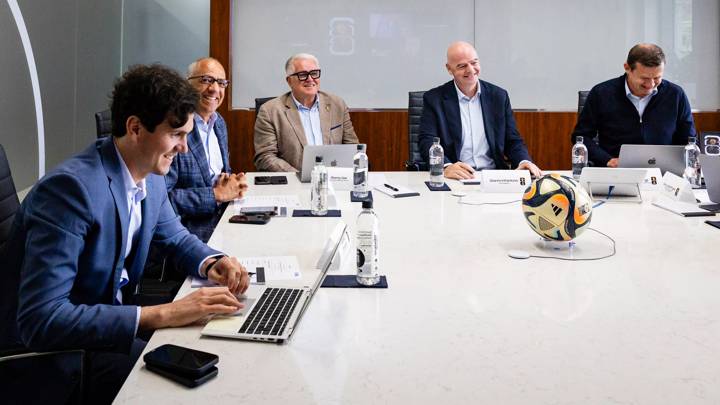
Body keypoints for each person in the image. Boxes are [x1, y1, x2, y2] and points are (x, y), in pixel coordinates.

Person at [0, 64, 249, 404]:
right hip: (53, 358)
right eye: (176, 134)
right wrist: (162, 314)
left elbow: (173, 235)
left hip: (103, 327)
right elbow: (43, 319)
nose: (185, 149)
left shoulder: (152, 173)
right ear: (135, 128)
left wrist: (212, 262)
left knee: (218, 361)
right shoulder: (70, 191)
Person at [419, 41, 542, 180]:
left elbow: (512, 140)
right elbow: (427, 141)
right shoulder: (434, 99)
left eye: (474, 63)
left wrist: (524, 161)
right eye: (462, 66)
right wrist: (446, 166)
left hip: (494, 177)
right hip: (456, 176)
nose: (470, 70)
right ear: (449, 69)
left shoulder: (499, 96)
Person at [571, 43, 696, 167]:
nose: (651, 85)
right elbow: (581, 137)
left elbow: (689, 141)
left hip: (664, 173)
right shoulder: (601, 94)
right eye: (644, 78)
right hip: (614, 172)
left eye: (657, 78)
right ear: (627, 68)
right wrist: (607, 160)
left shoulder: (675, 95)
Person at [166, 57, 247, 243]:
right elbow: (162, 200)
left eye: (221, 83)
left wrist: (231, 182)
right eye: (205, 80)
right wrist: (216, 195)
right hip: (189, 228)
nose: (214, 89)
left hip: (226, 214)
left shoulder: (218, 122)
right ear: (187, 84)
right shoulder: (173, 128)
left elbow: (219, 174)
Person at [253, 53, 359, 172]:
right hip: (293, 183)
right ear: (289, 81)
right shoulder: (270, 111)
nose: (310, 79)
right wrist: (300, 177)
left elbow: (352, 148)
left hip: (334, 180)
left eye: (314, 73)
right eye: (302, 75)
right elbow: (265, 157)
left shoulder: (337, 105)